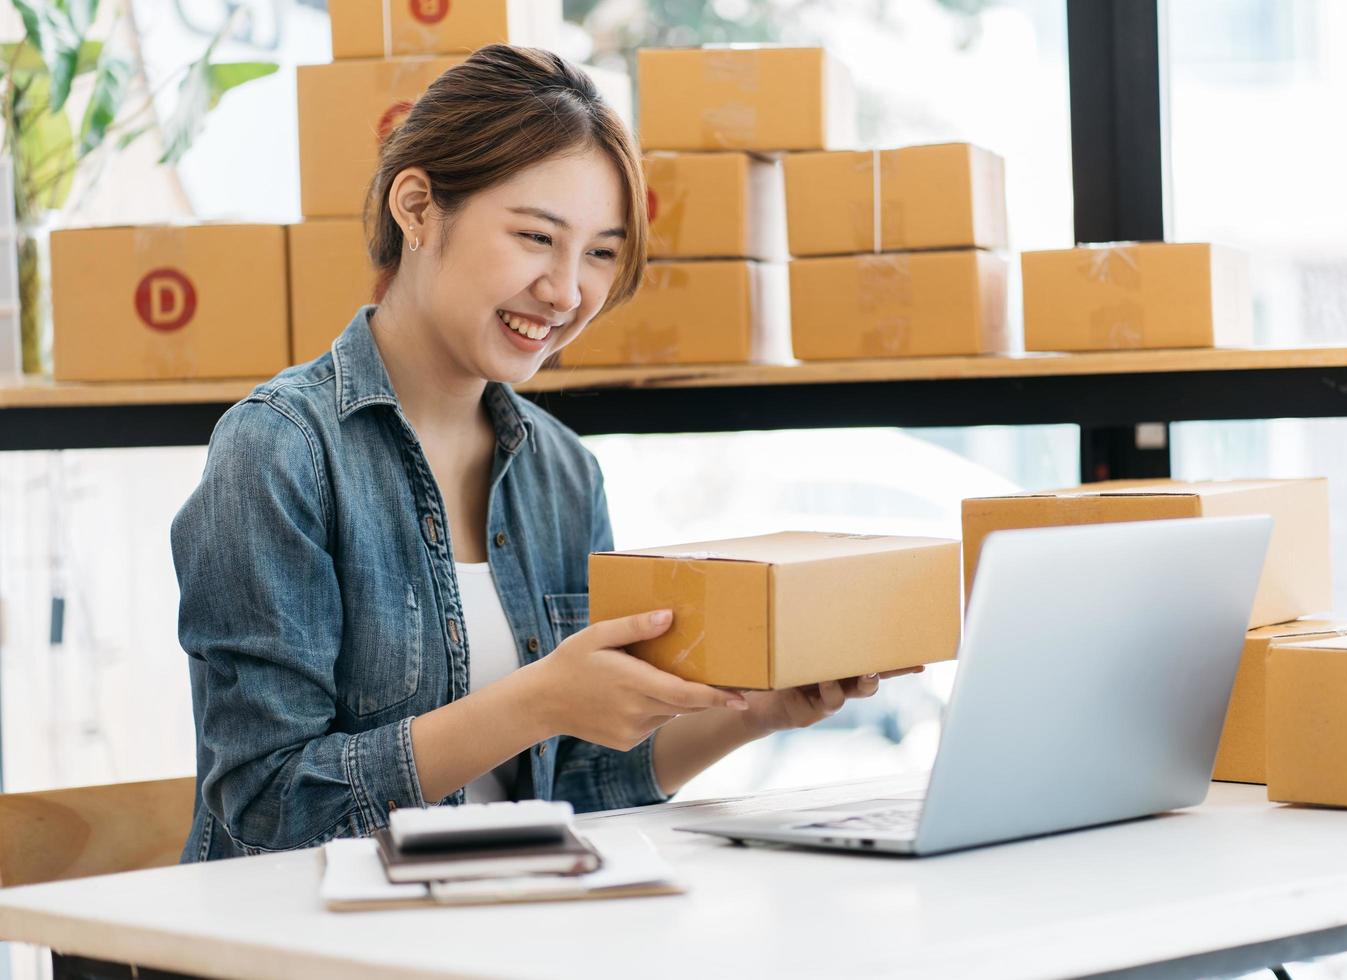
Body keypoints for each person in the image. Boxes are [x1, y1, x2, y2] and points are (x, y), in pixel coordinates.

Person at [171, 44, 916, 862]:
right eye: (536, 237)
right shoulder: (279, 452)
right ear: (416, 208)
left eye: (599, 252)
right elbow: (267, 804)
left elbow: (582, 784)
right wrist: (536, 702)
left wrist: (759, 711)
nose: (567, 293)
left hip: (510, 921)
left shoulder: (561, 471)